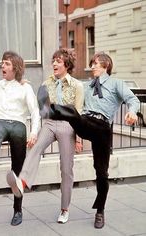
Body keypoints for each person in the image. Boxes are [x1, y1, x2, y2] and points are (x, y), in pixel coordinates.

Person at [36, 51, 140, 229]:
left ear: (105, 66)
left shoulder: (116, 84)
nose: (92, 67)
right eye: (92, 64)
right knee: (72, 111)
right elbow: (64, 85)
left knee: (102, 173)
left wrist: (132, 112)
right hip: (85, 122)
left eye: (95, 64)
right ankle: (51, 111)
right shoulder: (86, 85)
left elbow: (133, 99)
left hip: (102, 128)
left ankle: (100, 211)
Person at [6, 48, 84, 224]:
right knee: (35, 147)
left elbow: (78, 113)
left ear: (67, 64)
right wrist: (22, 84)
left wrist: (79, 139)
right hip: (49, 123)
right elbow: (39, 105)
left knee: (66, 169)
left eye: (58, 61)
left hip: (68, 125)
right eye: (53, 60)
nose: (54, 63)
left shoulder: (77, 86)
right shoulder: (45, 83)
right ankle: (22, 182)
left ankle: (64, 209)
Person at [0, 51, 40, 226]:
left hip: (18, 123)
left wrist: (34, 133)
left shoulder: (26, 87)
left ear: (15, 68)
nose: (2, 66)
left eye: (7, 64)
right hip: (1, 121)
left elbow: (35, 112)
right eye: (2, 63)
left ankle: (17, 210)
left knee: (18, 169)